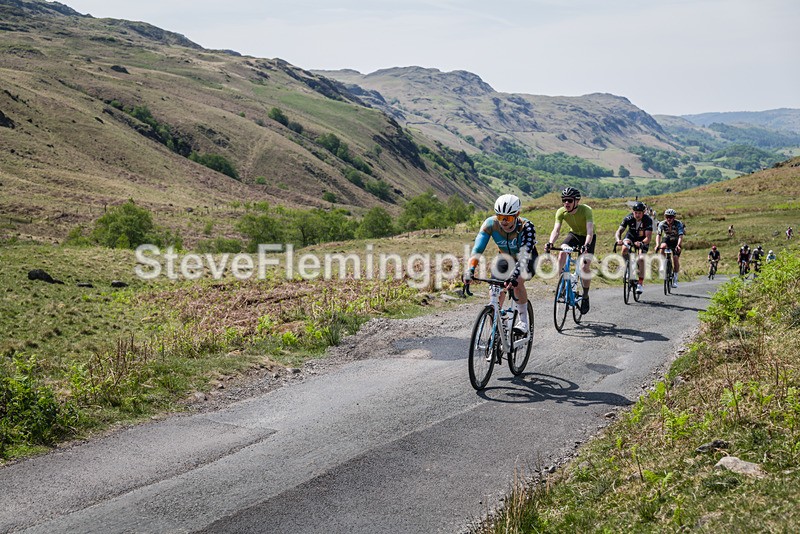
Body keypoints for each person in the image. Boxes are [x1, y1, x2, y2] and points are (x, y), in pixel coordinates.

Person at [464, 194, 537, 334]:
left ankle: (523, 321)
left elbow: (524, 258)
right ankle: (495, 331)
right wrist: (470, 270)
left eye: (508, 218)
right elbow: (477, 249)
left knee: (518, 282)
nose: (503, 221)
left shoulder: (527, 227)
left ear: (517, 214)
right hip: (505, 257)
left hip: (526, 259)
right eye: (500, 216)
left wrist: (513, 277)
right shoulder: (490, 224)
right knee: (495, 288)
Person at [544, 187, 596, 313]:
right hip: (574, 235)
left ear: (576, 201)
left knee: (584, 267)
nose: (566, 203)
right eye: (564, 200)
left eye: (569, 200)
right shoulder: (561, 212)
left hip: (588, 237)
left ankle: (585, 295)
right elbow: (556, 230)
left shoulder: (586, 210)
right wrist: (551, 243)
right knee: (562, 254)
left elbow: (589, 231)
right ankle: (562, 286)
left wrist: (586, 245)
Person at [614, 201, 653, 293]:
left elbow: (648, 237)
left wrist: (641, 243)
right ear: (633, 212)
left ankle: (640, 283)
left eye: (639, 213)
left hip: (642, 239)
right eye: (635, 213)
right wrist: (618, 240)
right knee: (624, 248)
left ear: (643, 213)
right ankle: (628, 269)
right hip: (631, 236)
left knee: (641, 259)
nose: (637, 215)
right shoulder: (628, 218)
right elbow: (619, 231)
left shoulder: (647, 220)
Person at [654, 208, 685, 288]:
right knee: (662, 247)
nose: (669, 219)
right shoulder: (662, 223)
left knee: (675, 259)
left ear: (674, 217)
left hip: (676, 240)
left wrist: (678, 245)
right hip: (667, 239)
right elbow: (659, 235)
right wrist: (657, 244)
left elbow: (681, 236)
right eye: (667, 217)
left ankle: (675, 278)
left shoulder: (679, 224)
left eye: (671, 217)